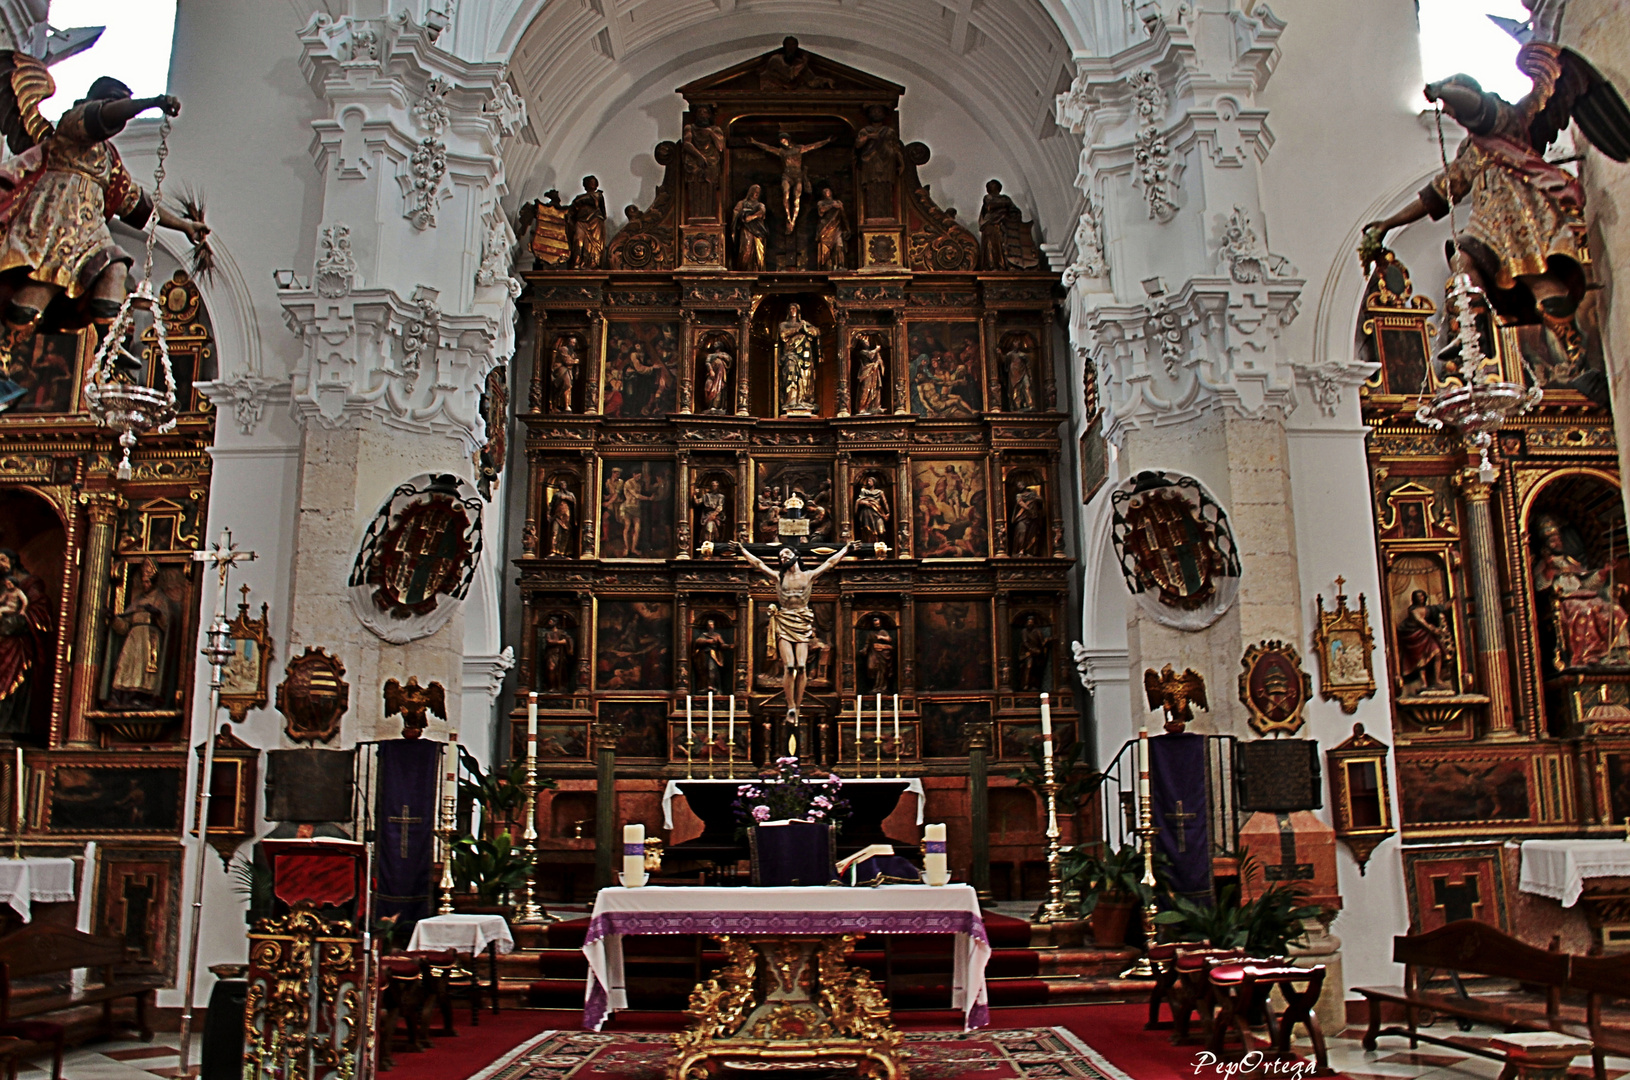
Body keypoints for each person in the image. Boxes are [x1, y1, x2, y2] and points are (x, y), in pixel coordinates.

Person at [1362, 49, 1630, 371]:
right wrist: (1387, 223)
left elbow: (1477, 108)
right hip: (1488, 222)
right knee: (1462, 258)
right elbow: (1437, 193)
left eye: (1451, 108)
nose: (1449, 112)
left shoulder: (1508, 120)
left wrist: (1441, 90)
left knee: (1542, 285)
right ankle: (1472, 334)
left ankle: (1570, 342)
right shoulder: (1471, 151)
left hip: (1522, 215)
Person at [0, 68, 208, 368]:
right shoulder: (73, 126)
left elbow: (136, 202)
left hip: (87, 231)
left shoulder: (108, 157)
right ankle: (7, 338)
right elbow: (103, 115)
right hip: (53, 222)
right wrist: (151, 103)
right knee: (46, 282)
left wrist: (184, 225)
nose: (119, 119)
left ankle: (112, 345)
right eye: (115, 105)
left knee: (115, 267)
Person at [738, 542, 851, 720]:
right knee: (789, 666)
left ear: (796, 556)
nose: (783, 558)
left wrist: (846, 549)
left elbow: (830, 562)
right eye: (781, 556)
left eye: (786, 553)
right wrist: (743, 550)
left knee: (801, 666)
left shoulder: (809, 576)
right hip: (785, 620)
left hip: (801, 621)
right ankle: (790, 705)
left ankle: (797, 706)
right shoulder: (778, 577)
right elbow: (758, 564)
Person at [1532, 513, 1630, 667]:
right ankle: (1588, 657)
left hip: (1585, 597)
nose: (1557, 542)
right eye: (1552, 540)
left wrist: (1604, 572)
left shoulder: (1571, 563)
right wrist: (1549, 570)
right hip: (1564, 603)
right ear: (1545, 545)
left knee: (1615, 609)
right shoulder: (1543, 565)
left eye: (1558, 539)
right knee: (1585, 611)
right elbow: (1539, 588)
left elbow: (1586, 585)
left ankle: (1617, 654)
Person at [0, 548, 49, 737]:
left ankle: (10, 728)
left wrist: (13, 623)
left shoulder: (29, 584)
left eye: (3, 560)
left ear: (13, 561)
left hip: (16, 647)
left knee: (12, 691)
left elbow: (39, 613)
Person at [747, 131, 834, 232]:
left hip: (797, 176)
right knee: (786, 194)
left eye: (783, 140)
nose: (782, 142)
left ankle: (793, 220)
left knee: (797, 199)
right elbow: (767, 148)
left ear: (788, 139)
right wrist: (754, 142)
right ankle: (788, 216)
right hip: (787, 176)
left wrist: (826, 141)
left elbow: (813, 146)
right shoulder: (782, 152)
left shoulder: (798, 149)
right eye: (781, 141)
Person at [1397, 589, 1455, 693]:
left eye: (1422, 596)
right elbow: (1422, 622)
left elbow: (1443, 607)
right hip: (1415, 636)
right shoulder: (1413, 611)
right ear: (1414, 599)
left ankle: (1437, 679)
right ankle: (1423, 683)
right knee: (1421, 660)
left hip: (1427, 636)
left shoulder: (1429, 609)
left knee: (1437, 653)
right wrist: (1433, 630)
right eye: (1418, 596)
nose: (1420, 598)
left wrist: (1453, 599)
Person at [777, 304, 819, 415]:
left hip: (805, 357)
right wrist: (798, 329)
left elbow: (815, 333)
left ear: (798, 311)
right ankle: (791, 401)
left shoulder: (804, 323)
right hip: (790, 355)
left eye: (794, 308)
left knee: (806, 377)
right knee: (791, 371)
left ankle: (804, 400)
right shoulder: (784, 325)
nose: (792, 311)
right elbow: (783, 335)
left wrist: (807, 328)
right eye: (790, 308)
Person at [566, 176, 606, 269]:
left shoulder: (599, 195)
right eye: (590, 182)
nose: (592, 184)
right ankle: (577, 262)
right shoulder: (579, 197)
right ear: (585, 185)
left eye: (593, 182)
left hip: (596, 221)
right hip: (581, 221)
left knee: (595, 243)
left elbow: (602, 210)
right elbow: (572, 210)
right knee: (578, 240)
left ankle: (593, 263)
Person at [731, 184, 768, 271]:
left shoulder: (760, 205)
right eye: (755, 192)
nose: (756, 194)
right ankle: (743, 270)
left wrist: (751, 217)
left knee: (759, 252)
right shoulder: (742, 203)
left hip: (758, 231)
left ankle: (758, 270)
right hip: (746, 231)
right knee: (745, 250)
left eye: (758, 192)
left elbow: (762, 212)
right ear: (750, 192)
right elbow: (735, 214)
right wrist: (741, 215)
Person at [691, 617, 730, 693]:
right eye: (709, 625)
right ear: (707, 627)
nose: (711, 627)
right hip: (703, 655)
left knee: (712, 669)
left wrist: (728, 646)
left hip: (713, 655)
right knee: (703, 670)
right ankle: (704, 686)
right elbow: (697, 642)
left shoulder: (717, 635)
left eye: (712, 625)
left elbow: (722, 644)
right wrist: (708, 641)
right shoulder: (703, 635)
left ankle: (712, 685)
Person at [539, 615, 575, 694]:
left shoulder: (561, 632)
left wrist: (570, 649)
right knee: (551, 669)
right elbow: (549, 641)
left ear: (555, 623)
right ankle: (551, 687)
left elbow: (569, 640)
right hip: (551, 654)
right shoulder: (548, 633)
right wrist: (560, 642)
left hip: (560, 654)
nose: (549, 623)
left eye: (551, 621)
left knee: (561, 671)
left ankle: (560, 686)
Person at [860, 613, 895, 693]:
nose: (876, 625)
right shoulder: (870, 633)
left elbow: (889, 639)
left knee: (882, 670)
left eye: (878, 623)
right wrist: (864, 650)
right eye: (875, 624)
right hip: (873, 652)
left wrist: (881, 637)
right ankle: (875, 686)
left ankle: (882, 687)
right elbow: (867, 643)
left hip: (883, 653)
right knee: (871, 667)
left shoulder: (883, 631)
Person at [814, 188, 848, 270]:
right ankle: (825, 266)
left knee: (838, 246)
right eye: (824, 192)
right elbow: (821, 211)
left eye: (828, 191)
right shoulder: (821, 203)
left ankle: (839, 265)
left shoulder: (838, 202)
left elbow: (843, 216)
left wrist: (847, 228)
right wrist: (832, 205)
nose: (826, 193)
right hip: (825, 228)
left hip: (836, 227)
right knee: (825, 248)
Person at [1016, 614, 1052, 691]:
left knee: (1037, 669)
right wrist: (1032, 650)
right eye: (1029, 622)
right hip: (1028, 653)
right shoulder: (1024, 631)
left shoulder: (1037, 631)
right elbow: (1025, 642)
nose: (1030, 623)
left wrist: (1046, 641)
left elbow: (1041, 642)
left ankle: (1034, 685)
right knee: (1029, 666)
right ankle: (1025, 684)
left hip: (1038, 654)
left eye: (1031, 622)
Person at [1009, 484, 1045, 556]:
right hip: (1022, 516)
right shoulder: (1019, 495)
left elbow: (1041, 500)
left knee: (1031, 534)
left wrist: (1035, 498)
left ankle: (1029, 551)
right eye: (1018, 485)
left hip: (1033, 517)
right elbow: (1020, 502)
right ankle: (1020, 550)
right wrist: (1028, 509)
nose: (1020, 486)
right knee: (1021, 531)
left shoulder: (1032, 494)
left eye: (1021, 484)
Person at [853, 474, 890, 545]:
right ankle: (869, 547)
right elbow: (859, 501)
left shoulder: (879, 492)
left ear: (874, 482)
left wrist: (887, 512)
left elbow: (885, 502)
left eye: (870, 481)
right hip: (866, 513)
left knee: (881, 531)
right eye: (867, 481)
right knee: (868, 531)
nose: (868, 482)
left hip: (878, 512)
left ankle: (881, 546)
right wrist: (864, 502)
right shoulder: (864, 491)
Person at [854, 335, 885, 414]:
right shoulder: (862, 352)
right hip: (866, 372)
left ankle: (874, 406)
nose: (867, 343)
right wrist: (876, 349)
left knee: (875, 388)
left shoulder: (874, 352)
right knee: (865, 389)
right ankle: (862, 408)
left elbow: (878, 360)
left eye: (867, 342)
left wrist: (877, 362)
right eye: (865, 342)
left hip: (874, 372)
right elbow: (870, 355)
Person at [549, 335, 580, 413]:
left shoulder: (573, 353)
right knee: (566, 385)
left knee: (568, 387)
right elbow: (566, 361)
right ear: (568, 342)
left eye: (574, 343)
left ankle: (565, 405)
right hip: (561, 370)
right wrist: (575, 361)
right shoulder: (563, 349)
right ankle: (560, 406)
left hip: (569, 371)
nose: (572, 344)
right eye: (571, 342)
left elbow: (576, 364)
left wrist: (576, 371)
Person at [546, 481, 576, 557]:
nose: (563, 486)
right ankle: (553, 550)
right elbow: (551, 505)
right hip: (557, 516)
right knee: (554, 532)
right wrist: (548, 514)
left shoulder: (570, 494)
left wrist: (566, 497)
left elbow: (574, 501)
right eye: (561, 484)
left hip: (567, 516)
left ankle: (563, 551)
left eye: (564, 484)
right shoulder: (556, 495)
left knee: (566, 533)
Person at [701, 337, 731, 412]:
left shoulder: (724, 354)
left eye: (717, 343)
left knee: (719, 388)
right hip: (712, 374)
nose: (715, 344)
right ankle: (709, 404)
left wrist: (722, 356)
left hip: (720, 375)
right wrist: (711, 370)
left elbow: (729, 360)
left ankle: (716, 406)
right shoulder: (710, 355)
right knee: (708, 387)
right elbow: (707, 362)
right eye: (714, 344)